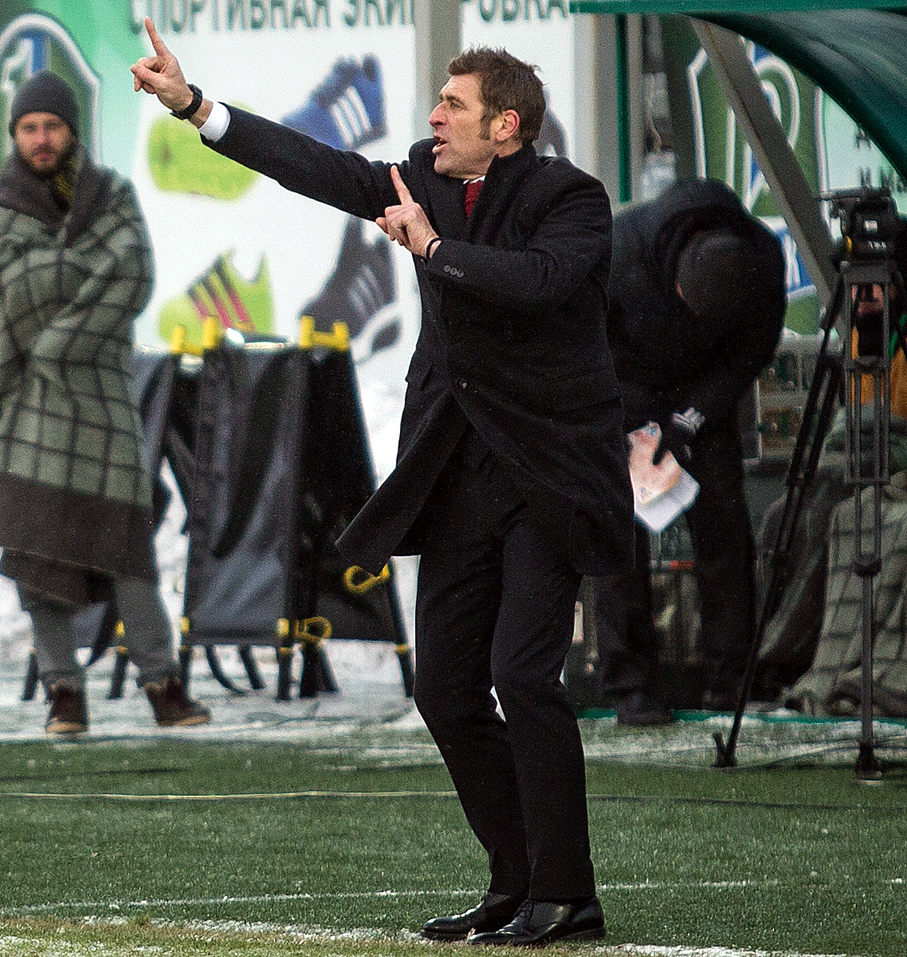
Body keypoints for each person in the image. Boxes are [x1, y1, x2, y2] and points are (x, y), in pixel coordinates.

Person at [132, 20, 631, 946]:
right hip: (458, 471)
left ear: (508, 126)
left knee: (522, 673)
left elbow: (540, 283)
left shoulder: (573, 198)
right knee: (443, 687)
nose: (434, 118)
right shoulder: (421, 175)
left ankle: (568, 892)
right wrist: (199, 108)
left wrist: (434, 251)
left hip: (550, 474)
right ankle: (515, 879)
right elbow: (320, 169)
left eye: (455, 106)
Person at [0, 69, 210, 735]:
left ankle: (163, 683)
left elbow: (129, 274)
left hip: (98, 403)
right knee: (36, 550)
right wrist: (64, 278)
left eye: (53, 126)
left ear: (73, 131)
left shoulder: (111, 196)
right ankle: (62, 691)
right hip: (24, 405)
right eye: (30, 127)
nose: (42, 138)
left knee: (126, 551)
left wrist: (50, 329)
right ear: (15, 134)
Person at [594, 178, 785, 725]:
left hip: (705, 394)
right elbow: (583, 339)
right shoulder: (620, 248)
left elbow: (752, 349)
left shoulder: (760, 259)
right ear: (674, 279)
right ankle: (630, 689)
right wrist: (629, 421)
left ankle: (731, 685)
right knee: (616, 537)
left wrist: (690, 418)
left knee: (724, 530)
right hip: (625, 388)